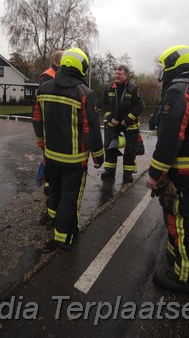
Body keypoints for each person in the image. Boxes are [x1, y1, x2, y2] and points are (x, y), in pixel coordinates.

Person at [146, 45, 189, 295]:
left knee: (184, 221)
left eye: (165, 67)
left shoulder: (179, 90)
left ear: (173, 66)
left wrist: (155, 173)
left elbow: (170, 138)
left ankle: (186, 278)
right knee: (183, 218)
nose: (163, 73)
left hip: (184, 170)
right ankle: (178, 255)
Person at [32, 48, 104, 252]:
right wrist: (98, 157)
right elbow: (91, 130)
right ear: (81, 67)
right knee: (70, 196)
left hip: (51, 155)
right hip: (74, 159)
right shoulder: (84, 93)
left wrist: (42, 143)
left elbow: (37, 120)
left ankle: (51, 218)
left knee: (55, 190)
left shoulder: (44, 88)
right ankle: (63, 238)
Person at [100, 65, 144, 184]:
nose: (117, 76)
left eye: (120, 74)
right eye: (116, 73)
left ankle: (128, 173)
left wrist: (127, 120)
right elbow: (104, 104)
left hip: (128, 124)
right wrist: (109, 117)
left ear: (126, 76)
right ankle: (109, 170)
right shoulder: (108, 87)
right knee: (109, 147)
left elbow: (140, 106)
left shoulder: (133, 88)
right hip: (113, 123)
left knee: (130, 149)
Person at [37, 50, 64, 198]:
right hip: (49, 122)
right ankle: (48, 184)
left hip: (57, 120)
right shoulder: (47, 76)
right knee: (48, 155)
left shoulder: (58, 75)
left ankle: (53, 183)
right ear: (59, 62)